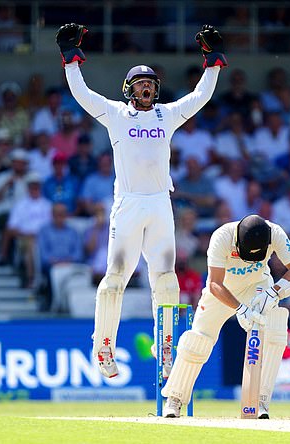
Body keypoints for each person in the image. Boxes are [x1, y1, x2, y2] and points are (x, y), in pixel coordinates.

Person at [57, 23, 227, 378]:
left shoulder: (167, 115)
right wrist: (70, 61)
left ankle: (165, 350)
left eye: (151, 84)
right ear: (129, 90)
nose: (147, 88)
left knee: (166, 279)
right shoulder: (116, 115)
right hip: (129, 204)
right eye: (140, 84)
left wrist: (212, 62)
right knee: (115, 276)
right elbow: (83, 95)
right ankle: (103, 346)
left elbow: (200, 97)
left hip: (160, 204)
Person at [161, 215, 290, 418]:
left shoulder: (275, 233)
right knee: (198, 340)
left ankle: (260, 400)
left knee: (275, 329)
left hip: (258, 287)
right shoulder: (222, 236)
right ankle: (174, 399)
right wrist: (240, 308)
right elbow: (214, 284)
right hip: (222, 290)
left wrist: (274, 292)